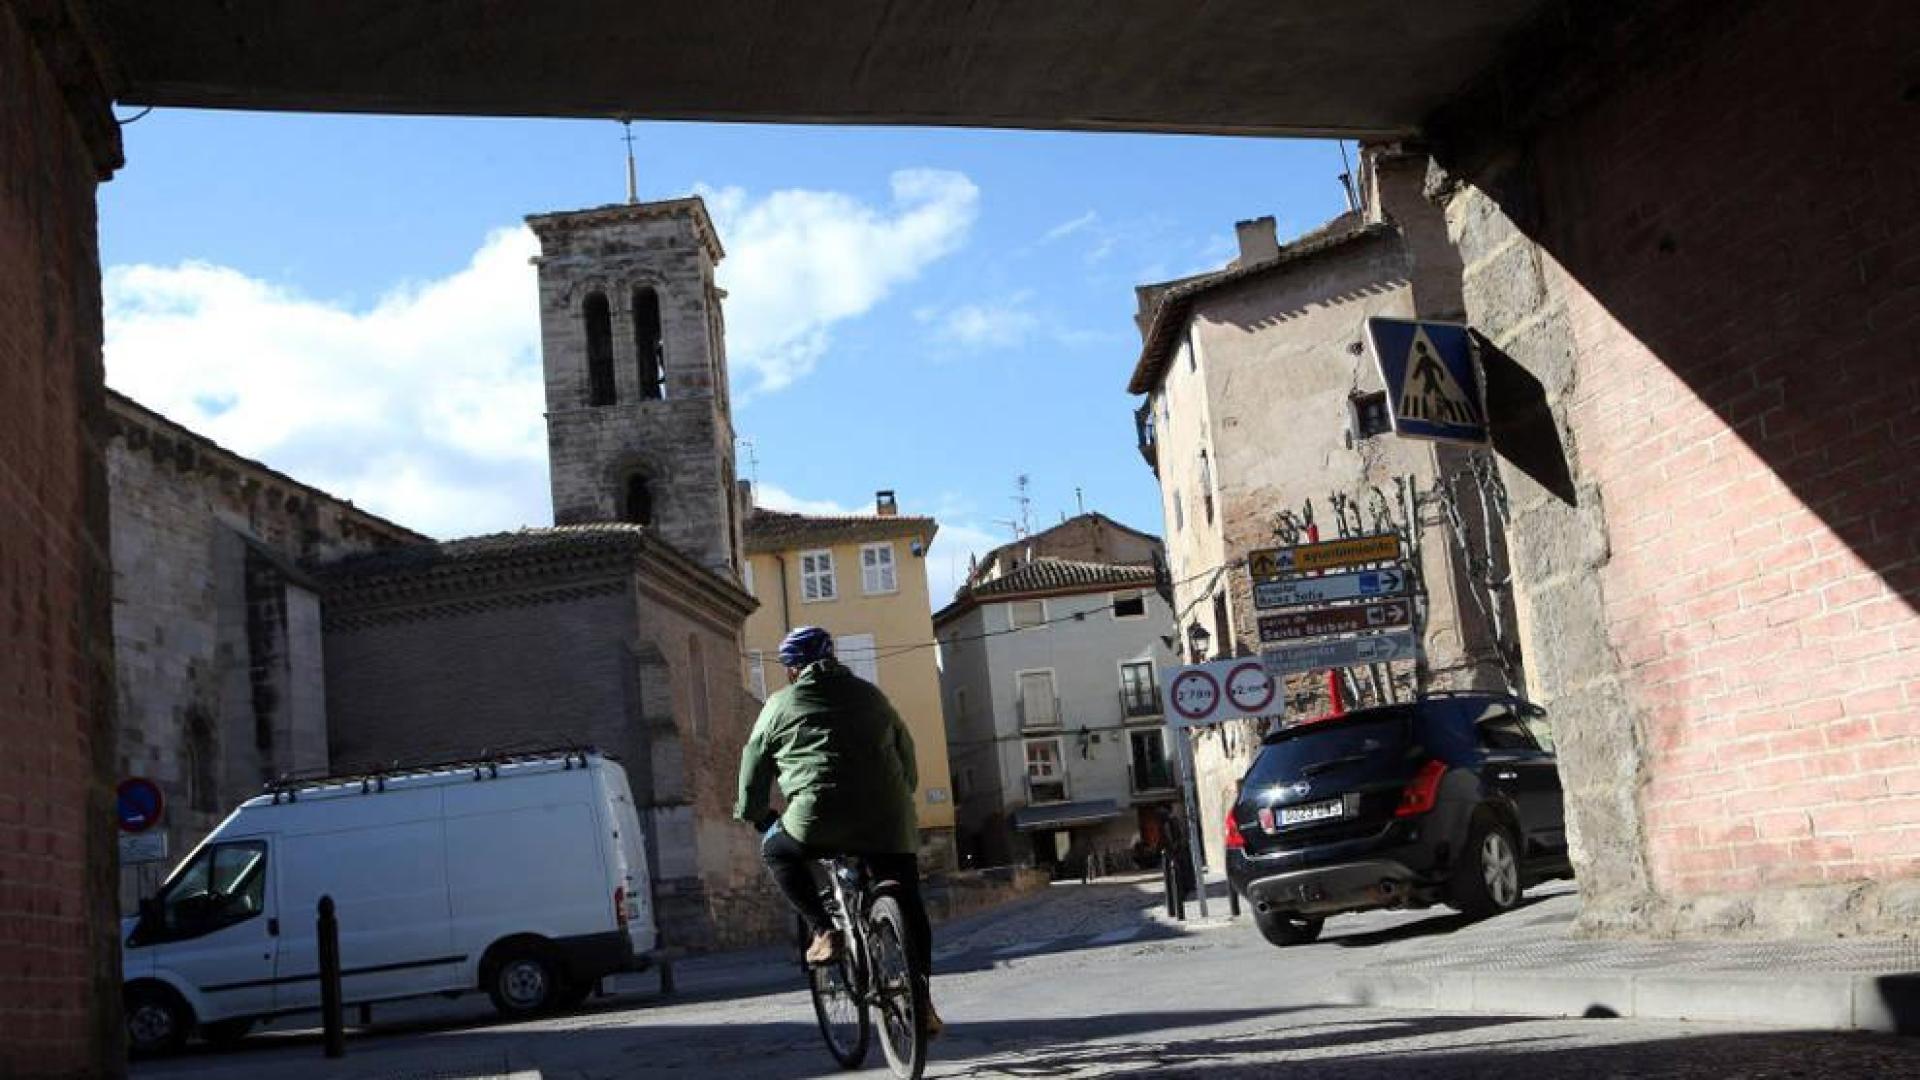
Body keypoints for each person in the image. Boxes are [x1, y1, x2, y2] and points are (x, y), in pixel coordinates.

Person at [735, 625, 942, 1033]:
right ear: (834, 658)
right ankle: (922, 1000)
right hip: (888, 818)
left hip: (817, 818)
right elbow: (907, 754)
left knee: (775, 851)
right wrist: (901, 798)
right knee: (910, 903)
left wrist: (758, 815)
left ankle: (823, 930)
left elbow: (753, 766)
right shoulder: (873, 696)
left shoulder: (778, 705)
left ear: (793, 670)